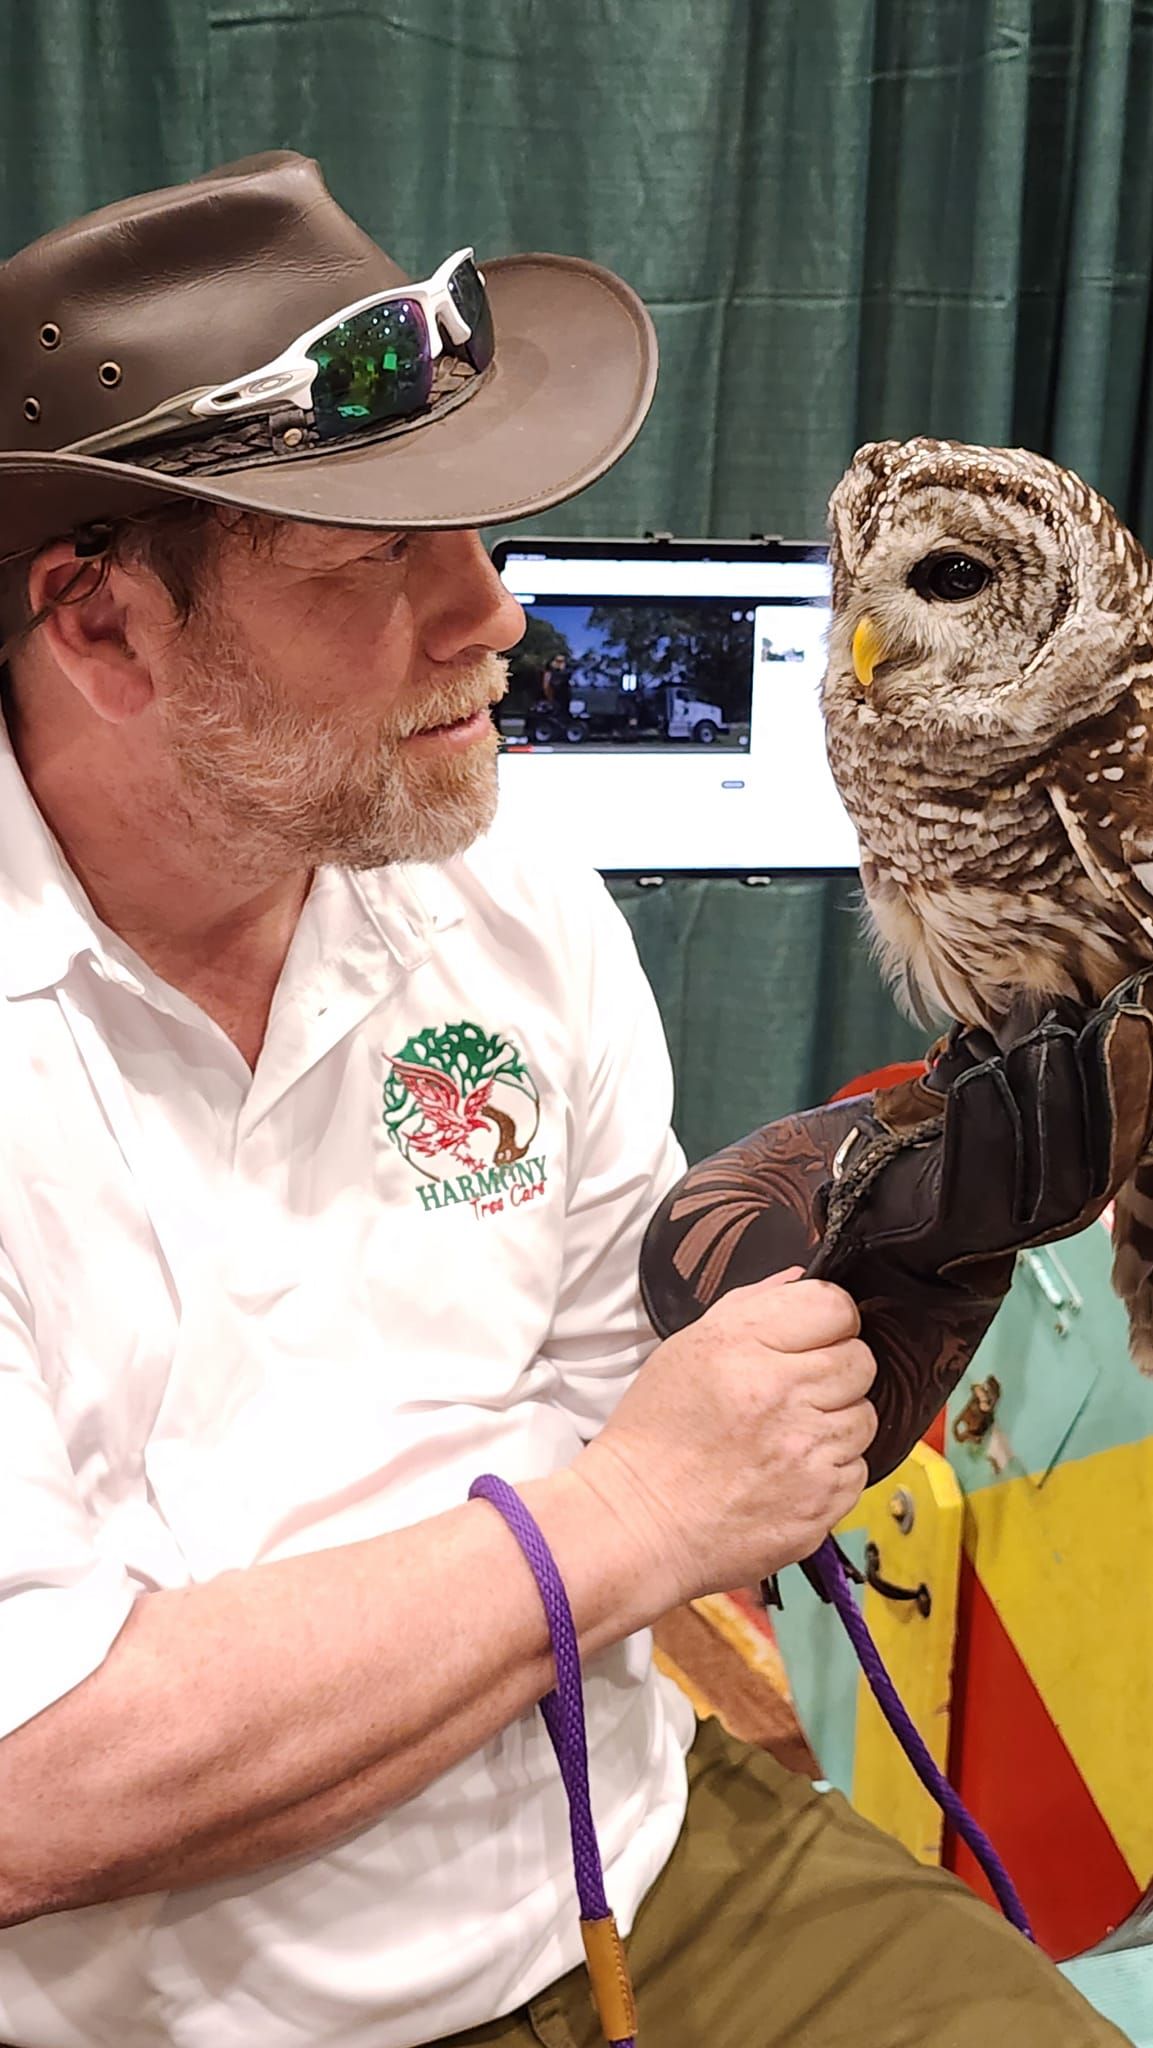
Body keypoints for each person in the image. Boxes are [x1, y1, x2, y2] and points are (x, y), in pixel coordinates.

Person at [0, 152, 1125, 2048]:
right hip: (176, 2007)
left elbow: (639, 1373)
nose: (491, 617)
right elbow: (35, 1789)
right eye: (377, 562)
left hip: (639, 1863)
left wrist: (885, 1265)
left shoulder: (502, 901)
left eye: (479, 537)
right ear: (102, 627)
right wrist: (629, 1519)